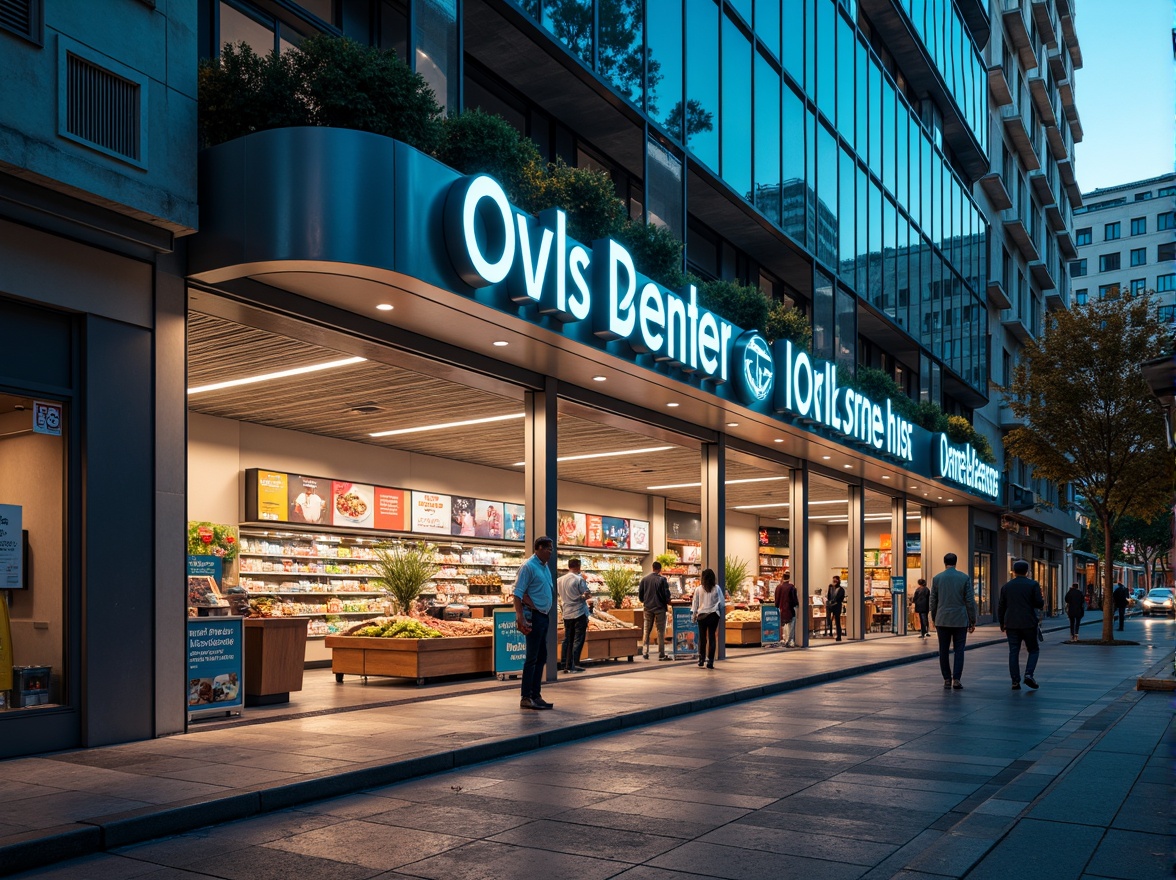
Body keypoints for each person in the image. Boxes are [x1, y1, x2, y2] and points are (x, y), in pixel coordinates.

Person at [512, 536, 555, 710]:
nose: (550, 552)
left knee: (542, 656)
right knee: (532, 657)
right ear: (538, 548)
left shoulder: (544, 567)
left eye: (551, 549)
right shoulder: (528, 567)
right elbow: (517, 593)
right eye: (548, 549)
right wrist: (520, 615)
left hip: (544, 616)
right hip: (534, 616)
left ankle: (536, 694)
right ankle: (526, 696)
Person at [930, 552, 976, 689]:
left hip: (942, 619)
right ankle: (956, 678)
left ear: (944, 562)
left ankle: (946, 679)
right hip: (960, 620)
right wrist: (972, 620)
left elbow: (933, 600)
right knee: (959, 650)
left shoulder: (937, 578)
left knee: (943, 650)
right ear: (956, 562)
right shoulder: (964, 577)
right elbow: (969, 600)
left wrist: (934, 617)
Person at [999, 559, 1045, 690]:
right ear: (1027, 572)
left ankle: (1015, 681)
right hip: (1028, 622)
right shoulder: (1033, 585)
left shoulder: (1006, 587)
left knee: (1013, 651)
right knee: (1033, 649)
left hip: (1011, 623)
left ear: (1013, 572)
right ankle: (1029, 674)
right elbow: (1039, 603)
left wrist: (1002, 623)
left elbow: (1001, 606)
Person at [557, 558, 591, 673]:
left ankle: (564, 663)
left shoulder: (559, 580)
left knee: (567, 639)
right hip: (579, 612)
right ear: (578, 566)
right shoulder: (579, 579)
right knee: (578, 639)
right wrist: (584, 597)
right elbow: (586, 594)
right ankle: (574, 663)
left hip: (566, 613)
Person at [639, 561, 672, 661]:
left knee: (646, 630)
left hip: (648, 608)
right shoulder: (662, 580)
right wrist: (667, 601)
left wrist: (646, 601)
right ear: (660, 569)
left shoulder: (644, 580)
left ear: (652, 567)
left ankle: (645, 652)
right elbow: (666, 594)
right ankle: (661, 653)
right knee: (660, 631)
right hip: (660, 608)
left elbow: (640, 596)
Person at [692, 567, 724, 668]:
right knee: (712, 637)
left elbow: (695, 604)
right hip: (714, 615)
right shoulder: (717, 588)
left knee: (702, 638)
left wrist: (694, 615)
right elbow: (722, 603)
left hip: (702, 616)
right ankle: (710, 661)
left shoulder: (698, 589)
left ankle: (701, 659)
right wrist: (720, 613)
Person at [774, 572, 799, 648]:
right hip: (790, 610)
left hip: (781, 610)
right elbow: (794, 599)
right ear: (789, 578)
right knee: (791, 625)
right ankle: (790, 641)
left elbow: (776, 599)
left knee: (783, 626)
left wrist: (777, 606)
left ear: (782, 578)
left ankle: (783, 639)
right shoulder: (792, 587)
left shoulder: (778, 587)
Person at [826, 575, 845, 642]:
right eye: (833, 580)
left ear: (838, 581)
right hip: (831, 606)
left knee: (837, 621)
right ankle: (830, 632)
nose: (834, 581)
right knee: (829, 618)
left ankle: (839, 636)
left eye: (836, 580)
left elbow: (840, 598)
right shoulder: (830, 588)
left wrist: (835, 601)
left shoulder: (841, 589)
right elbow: (828, 596)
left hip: (837, 606)